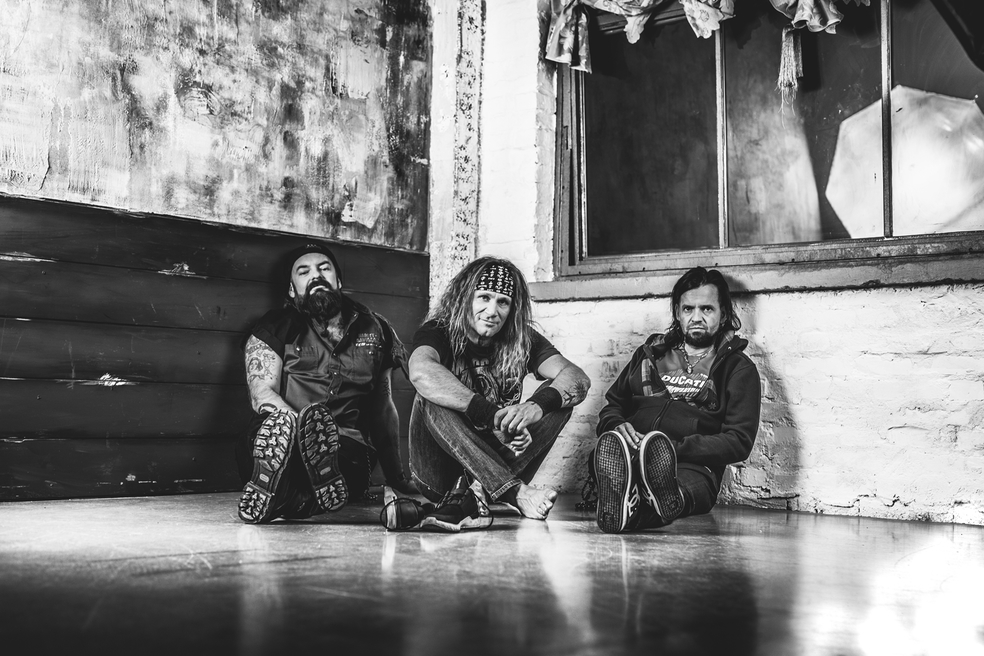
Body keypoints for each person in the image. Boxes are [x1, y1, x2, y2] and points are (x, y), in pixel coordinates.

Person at [401, 256, 590, 532]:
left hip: (499, 466)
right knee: (430, 393)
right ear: (464, 299)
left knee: (559, 398)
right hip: (439, 476)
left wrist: (534, 407)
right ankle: (516, 493)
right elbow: (420, 371)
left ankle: (491, 487)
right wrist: (493, 418)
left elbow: (578, 378)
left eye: (503, 302)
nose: (492, 311)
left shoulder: (522, 338)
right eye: (484, 298)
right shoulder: (439, 331)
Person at [236, 243, 415, 523]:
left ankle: (278, 497)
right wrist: (300, 434)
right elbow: (262, 392)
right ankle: (295, 496)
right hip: (280, 434)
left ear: (338, 281)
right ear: (292, 289)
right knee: (266, 442)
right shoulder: (275, 325)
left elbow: (383, 407)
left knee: (343, 464)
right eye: (304, 272)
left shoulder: (376, 328)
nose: (316, 276)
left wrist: (397, 477)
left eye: (324, 268)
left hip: (345, 447)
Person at [593, 266, 761, 533]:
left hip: (693, 467)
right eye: (688, 309)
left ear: (723, 314)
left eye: (707, 309)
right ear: (677, 313)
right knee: (618, 459)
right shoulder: (650, 354)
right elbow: (613, 405)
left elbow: (738, 441)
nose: (696, 317)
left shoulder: (737, 368)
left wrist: (671, 449)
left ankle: (633, 504)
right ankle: (629, 493)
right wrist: (615, 425)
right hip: (630, 454)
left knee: (675, 488)